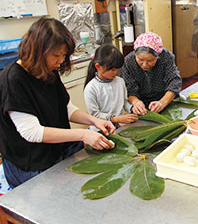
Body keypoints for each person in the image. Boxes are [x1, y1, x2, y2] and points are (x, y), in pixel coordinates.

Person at [0, 17, 115, 188]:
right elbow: (33, 133)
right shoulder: (13, 80)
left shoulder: (48, 71)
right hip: (30, 161)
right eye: (56, 55)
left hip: (57, 150)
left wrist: (94, 121)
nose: (60, 61)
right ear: (38, 50)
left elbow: (65, 108)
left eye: (63, 55)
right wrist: (83, 134)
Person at [120, 32, 182, 115]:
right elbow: (129, 89)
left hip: (164, 98)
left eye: (150, 60)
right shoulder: (128, 61)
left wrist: (162, 103)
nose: (145, 65)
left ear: (158, 56)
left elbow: (174, 81)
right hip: (141, 102)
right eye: (140, 60)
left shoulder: (166, 57)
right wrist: (136, 102)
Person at [84, 44, 138, 129]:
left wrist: (133, 108)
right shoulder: (91, 88)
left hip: (121, 126)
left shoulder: (120, 81)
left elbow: (124, 102)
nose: (116, 72)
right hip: (101, 129)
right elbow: (95, 115)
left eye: (118, 69)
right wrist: (116, 119)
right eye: (112, 69)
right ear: (98, 66)